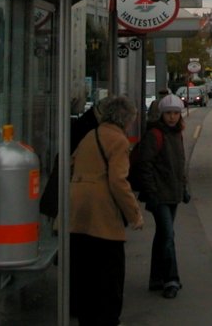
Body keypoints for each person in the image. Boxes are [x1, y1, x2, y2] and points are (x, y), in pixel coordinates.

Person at [69, 95, 145, 326]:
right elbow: (118, 182)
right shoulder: (119, 141)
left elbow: (73, 163)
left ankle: (87, 318)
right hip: (101, 215)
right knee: (110, 276)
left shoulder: (91, 135)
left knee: (85, 275)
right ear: (126, 118)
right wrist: (135, 215)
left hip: (77, 212)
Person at [138, 93, 190, 299]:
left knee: (162, 235)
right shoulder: (155, 135)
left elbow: (180, 163)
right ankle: (171, 279)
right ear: (162, 115)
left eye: (175, 113)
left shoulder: (177, 134)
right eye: (168, 113)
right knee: (168, 236)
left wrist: (183, 188)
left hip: (173, 194)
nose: (172, 117)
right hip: (159, 195)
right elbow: (146, 165)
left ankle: (156, 277)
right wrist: (151, 192)